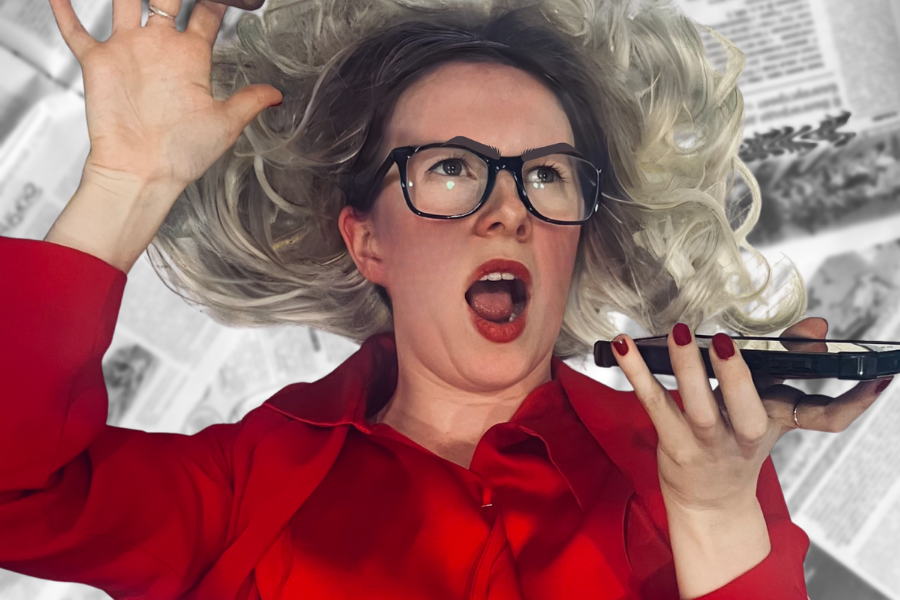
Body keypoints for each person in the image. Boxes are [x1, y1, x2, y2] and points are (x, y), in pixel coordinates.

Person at [0, 0, 891, 598]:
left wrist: (714, 514)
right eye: (454, 168)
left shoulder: (701, 469)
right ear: (367, 240)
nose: (509, 210)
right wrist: (127, 182)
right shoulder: (246, 487)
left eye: (545, 173)